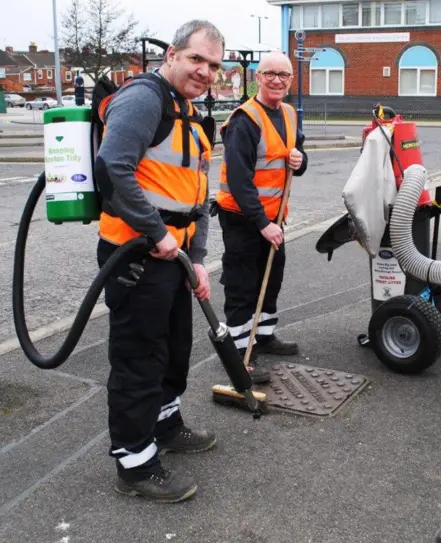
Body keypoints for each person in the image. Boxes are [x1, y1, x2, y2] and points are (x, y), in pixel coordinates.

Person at [94, 20, 224, 503]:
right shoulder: (144, 98)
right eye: (196, 59)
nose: (205, 71)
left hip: (173, 257)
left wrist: (197, 259)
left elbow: (198, 196)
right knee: (138, 356)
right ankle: (135, 462)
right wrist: (155, 234)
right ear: (172, 54)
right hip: (136, 255)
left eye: (213, 65)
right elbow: (113, 167)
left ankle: (165, 427)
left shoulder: (188, 110)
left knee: (173, 348)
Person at [215, 51, 308, 384]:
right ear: (257, 77)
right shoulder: (245, 120)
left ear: (290, 80)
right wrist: (262, 224)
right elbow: (240, 181)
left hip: (272, 218)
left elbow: (294, 156)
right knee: (243, 285)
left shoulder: (288, 113)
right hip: (244, 218)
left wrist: (301, 158)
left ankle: (264, 336)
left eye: (284, 75)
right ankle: (239, 355)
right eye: (270, 73)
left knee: (272, 278)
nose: (277, 80)